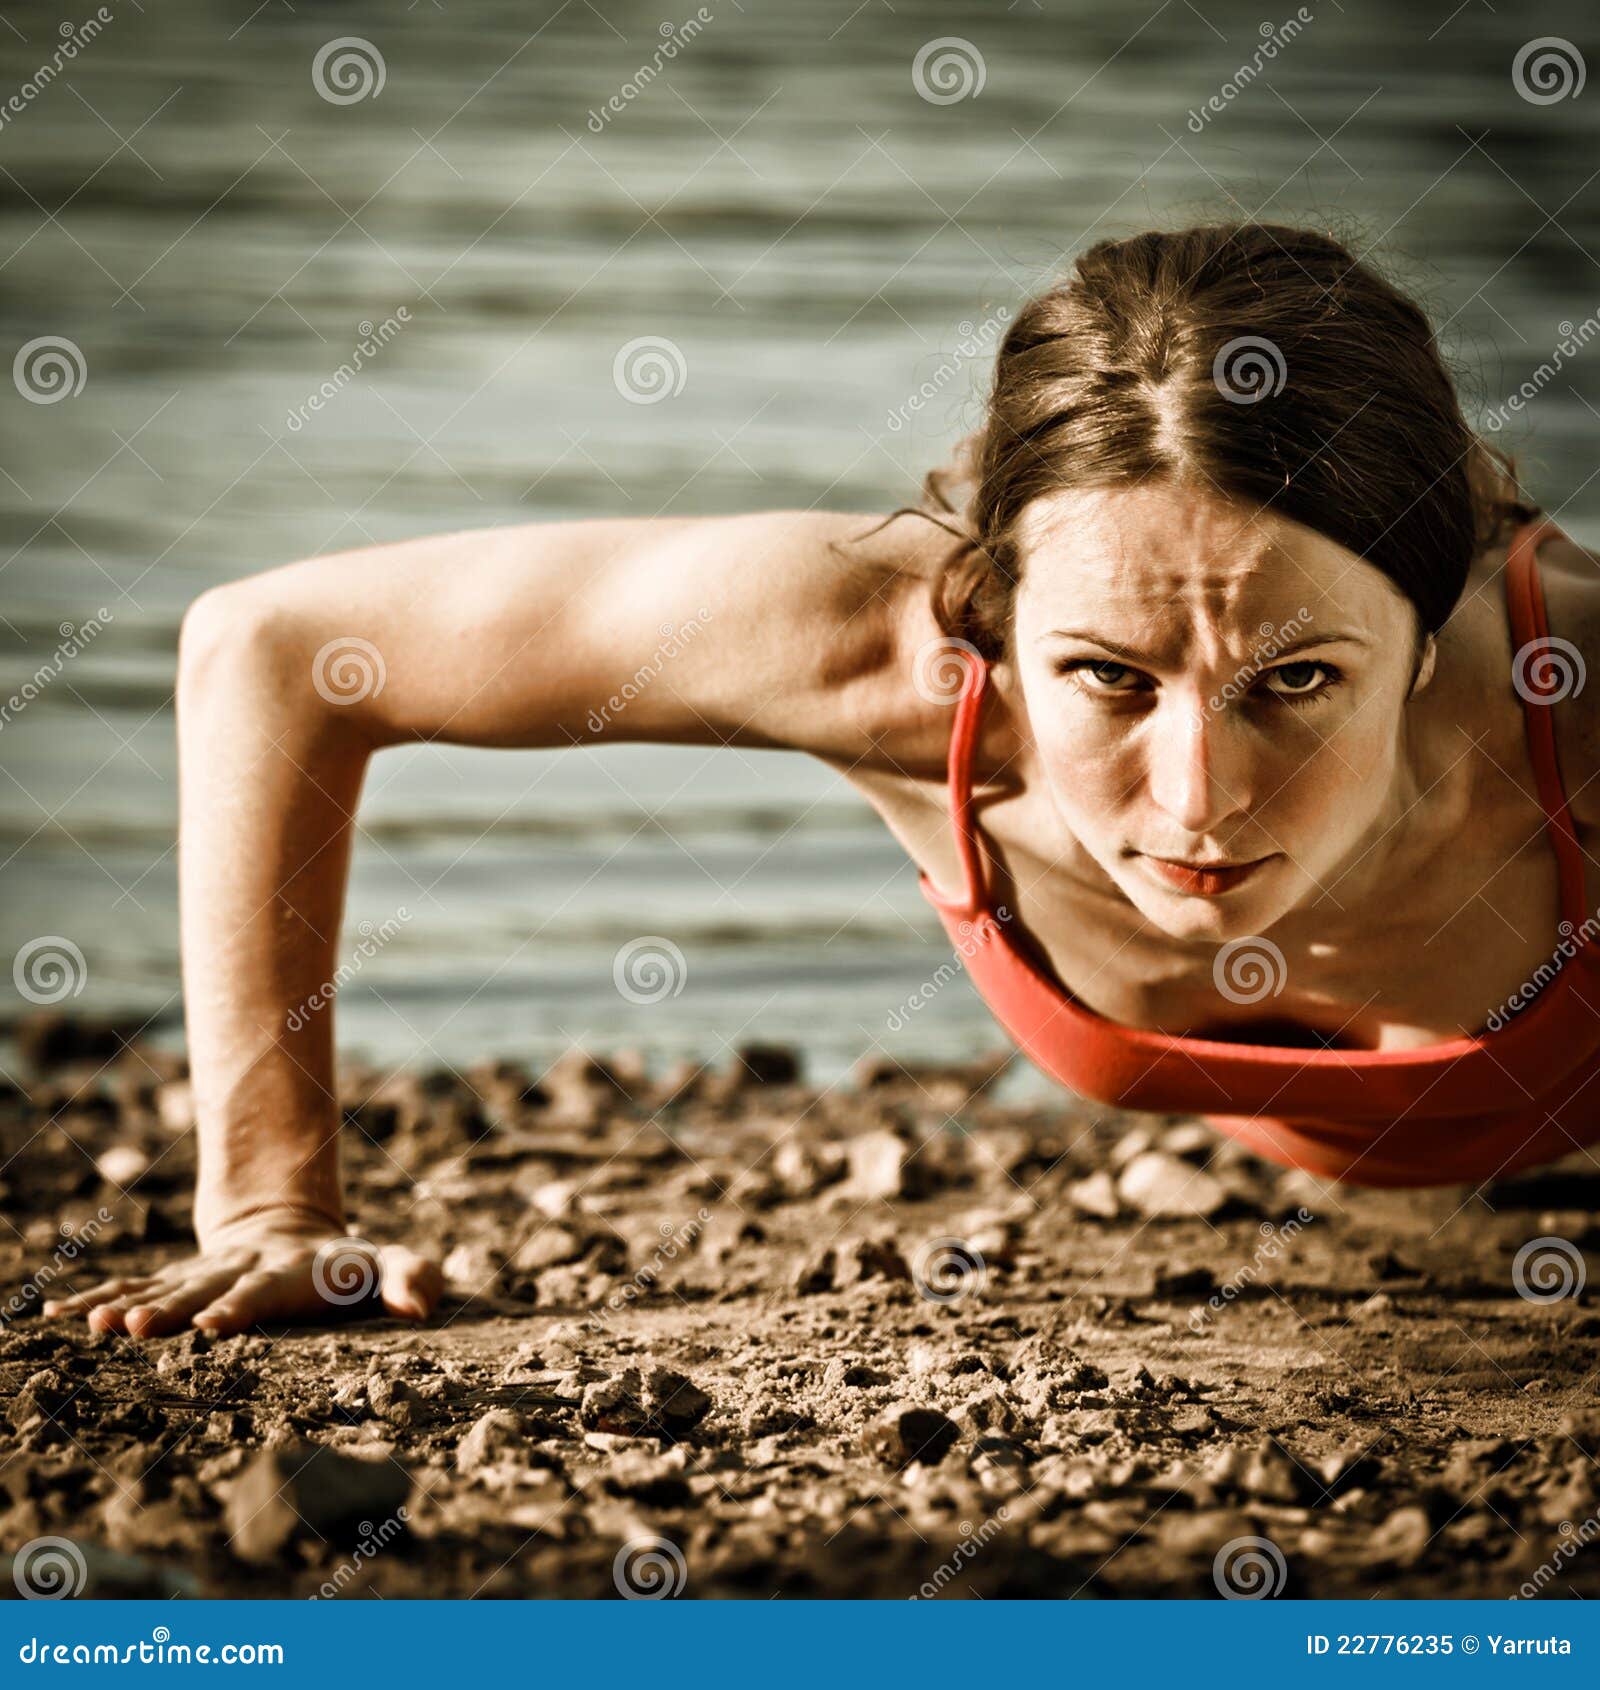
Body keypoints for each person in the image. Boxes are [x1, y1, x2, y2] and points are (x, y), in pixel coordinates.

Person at [42, 220, 1600, 1341]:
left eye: (1298, 683)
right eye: (1107, 678)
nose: (1198, 795)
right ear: (994, 615)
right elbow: (274, 648)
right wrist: (268, 1210)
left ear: (1430, 625)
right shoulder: (883, 660)